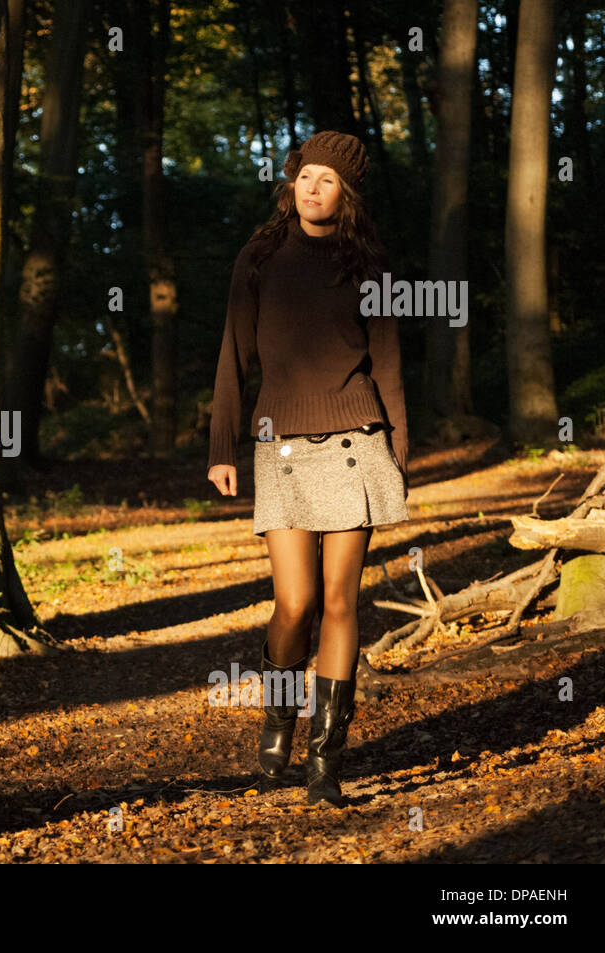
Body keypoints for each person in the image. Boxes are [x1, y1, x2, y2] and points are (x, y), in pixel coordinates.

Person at [206, 130, 410, 808]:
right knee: (295, 605)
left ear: (345, 194)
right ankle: (279, 716)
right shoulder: (259, 258)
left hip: (358, 440)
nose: (313, 187)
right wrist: (220, 449)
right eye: (304, 177)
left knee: (342, 601)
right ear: (290, 185)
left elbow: (388, 364)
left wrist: (398, 457)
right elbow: (232, 357)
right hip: (281, 444)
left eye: (327, 180)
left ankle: (326, 760)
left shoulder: (368, 266)